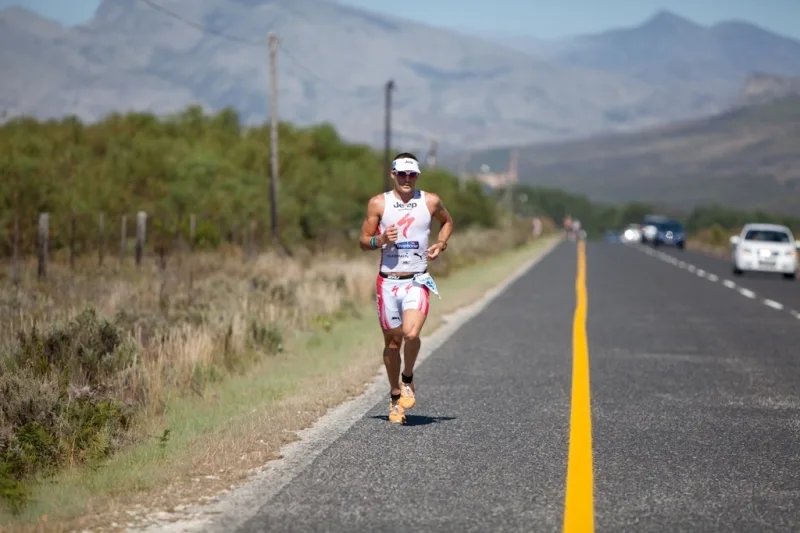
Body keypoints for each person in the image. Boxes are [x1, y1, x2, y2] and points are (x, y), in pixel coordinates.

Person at [359, 152, 454, 424]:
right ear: (393, 174)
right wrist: (379, 240)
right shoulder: (378, 203)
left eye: (412, 174)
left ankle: (408, 378)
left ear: (417, 176)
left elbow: (447, 222)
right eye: (402, 174)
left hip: (417, 279)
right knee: (392, 344)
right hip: (388, 282)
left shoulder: (430, 200)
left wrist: (441, 243)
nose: (407, 179)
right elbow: (363, 241)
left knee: (411, 333)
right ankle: (394, 396)